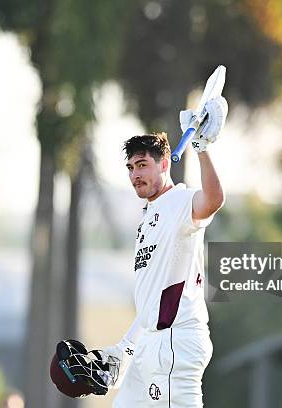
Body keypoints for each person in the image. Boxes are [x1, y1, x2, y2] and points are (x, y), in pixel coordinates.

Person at [101, 95, 228, 407]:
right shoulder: (149, 218)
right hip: (150, 344)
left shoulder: (179, 203)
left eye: (143, 165)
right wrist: (125, 348)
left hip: (176, 341)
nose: (135, 175)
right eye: (131, 167)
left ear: (164, 163)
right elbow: (150, 302)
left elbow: (212, 200)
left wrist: (201, 148)